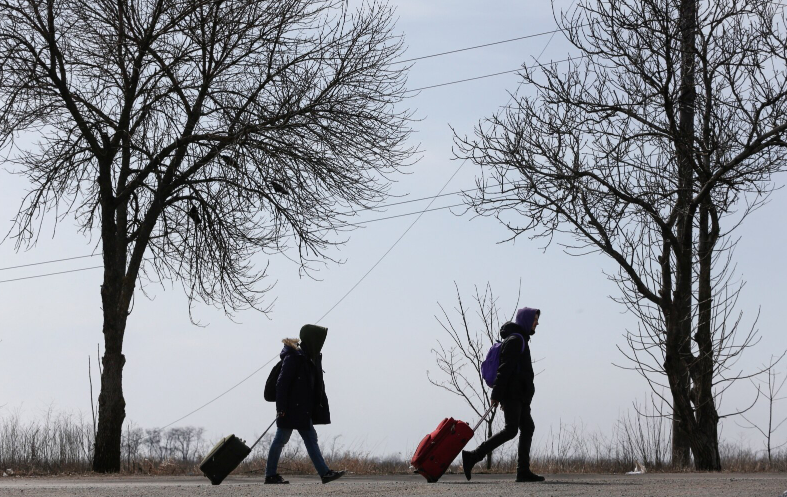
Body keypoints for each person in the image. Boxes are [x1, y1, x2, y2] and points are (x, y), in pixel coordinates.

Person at [462, 307, 545, 483]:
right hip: (513, 394)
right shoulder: (515, 340)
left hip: (519, 396)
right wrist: (497, 394)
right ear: (525, 320)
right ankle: (473, 456)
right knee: (511, 430)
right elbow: (504, 369)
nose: (537, 323)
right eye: (534, 319)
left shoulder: (519, 339)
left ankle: (523, 471)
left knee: (527, 428)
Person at [264, 324, 345, 484]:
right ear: (313, 339)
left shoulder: (308, 358)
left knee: (309, 438)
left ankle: (325, 473)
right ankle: (270, 475)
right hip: (290, 409)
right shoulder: (294, 357)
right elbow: (282, 384)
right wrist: (281, 409)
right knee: (281, 439)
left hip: (302, 410)